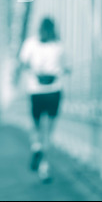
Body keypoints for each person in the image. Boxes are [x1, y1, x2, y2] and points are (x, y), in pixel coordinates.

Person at [17, 18, 69, 182]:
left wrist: (36, 70)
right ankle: (44, 168)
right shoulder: (59, 46)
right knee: (49, 132)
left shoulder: (30, 43)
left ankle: (36, 147)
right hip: (54, 91)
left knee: (36, 127)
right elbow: (67, 68)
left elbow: (22, 64)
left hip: (36, 91)